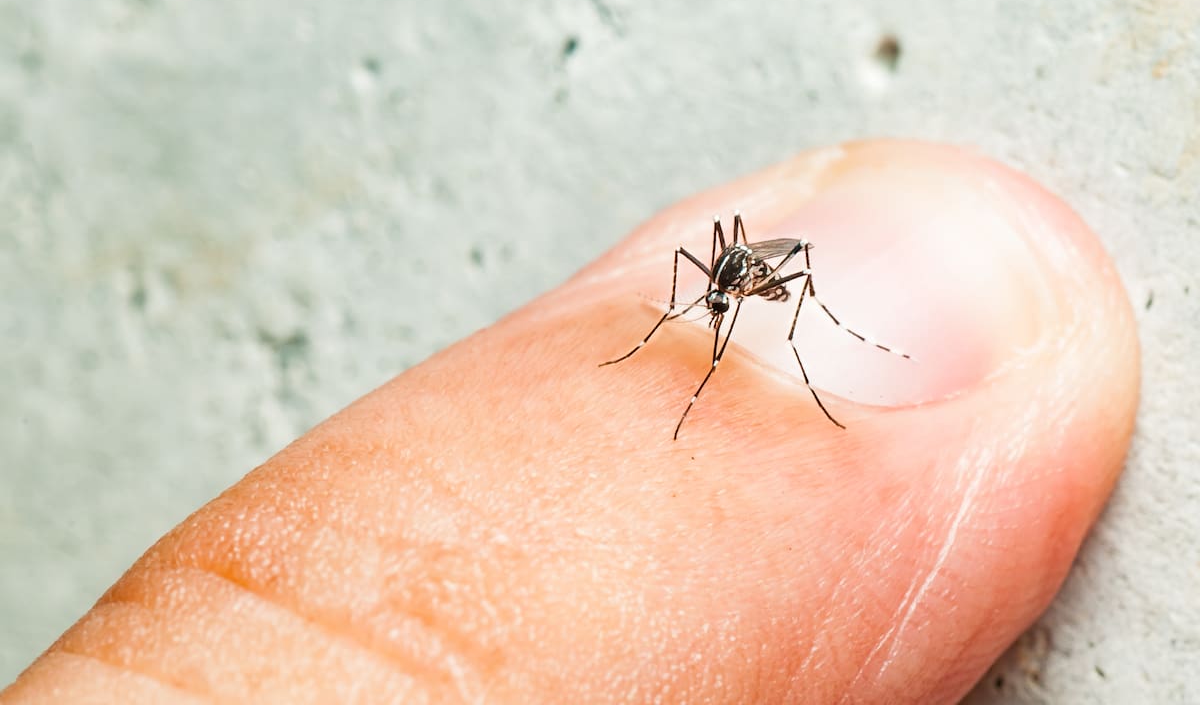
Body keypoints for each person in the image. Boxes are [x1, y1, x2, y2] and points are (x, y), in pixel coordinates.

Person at [1, 140, 1138, 704]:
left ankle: (834, 359)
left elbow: (767, 272)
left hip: (818, 296)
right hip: (749, 279)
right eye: (714, 289)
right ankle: (679, 353)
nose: (716, 288)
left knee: (786, 318)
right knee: (702, 300)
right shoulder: (717, 267)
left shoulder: (763, 277)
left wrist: (752, 331)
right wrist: (667, 337)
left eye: (717, 290)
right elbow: (715, 268)